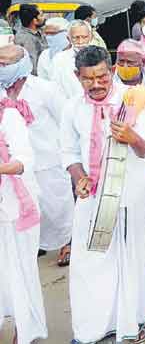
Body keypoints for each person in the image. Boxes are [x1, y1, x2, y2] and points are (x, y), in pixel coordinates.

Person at [63, 46, 145, 344]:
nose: (97, 84)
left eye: (102, 76)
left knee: (129, 257)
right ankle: (90, 328)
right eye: (88, 79)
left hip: (129, 194)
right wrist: (79, 178)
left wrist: (133, 138)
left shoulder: (134, 100)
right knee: (89, 260)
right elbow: (67, 152)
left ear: (112, 70)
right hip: (92, 198)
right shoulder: (72, 108)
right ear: (78, 77)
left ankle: (129, 322)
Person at [0, 45, 72, 266]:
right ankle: (37, 242)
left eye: (6, 64)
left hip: (47, 159)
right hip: (15, 164)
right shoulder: (2, 92)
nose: (2, 68)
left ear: (21, 65)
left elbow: (64, 120)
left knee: (58, 206)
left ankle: (66, 243)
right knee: (27, 205)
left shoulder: (45, 89)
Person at [0, 70, 44, 344]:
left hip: (13, 204)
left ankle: (23, 331)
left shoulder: (10, 116)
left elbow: (23, 159)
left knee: (19, 268)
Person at [51, 20, 93, 99]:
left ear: (91, 37)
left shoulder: (100, 56)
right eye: (76, 38)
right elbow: (55, 88)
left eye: (84, 37)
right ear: (68, 38)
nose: (80, 41)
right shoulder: (59, 59)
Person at [14, 4, 46, 75]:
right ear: (35, 21)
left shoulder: (38, 31)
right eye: (41, 15)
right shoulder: (26, 38)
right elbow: (33, 66)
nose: (44, 17)